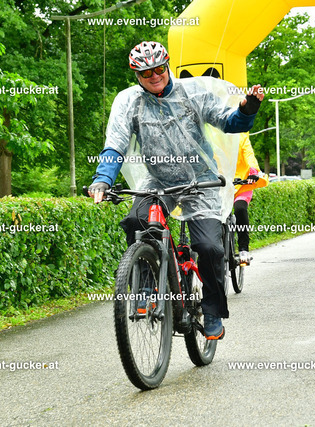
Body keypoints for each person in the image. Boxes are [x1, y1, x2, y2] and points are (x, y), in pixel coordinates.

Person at [88, 41, 264, 340]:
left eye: (159, 69)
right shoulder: (129, 101)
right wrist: (103, 179)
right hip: (159, 180)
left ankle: (212, 310)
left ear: (167, 65)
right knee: (136, 220)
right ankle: (145, 288)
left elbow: (229, 122)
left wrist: (248, 108)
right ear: (136, 75)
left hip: (201, 179)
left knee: (208, 247)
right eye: (146, 73)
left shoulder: (192, 93)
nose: (154, 76)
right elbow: (115, 144)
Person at [233, 134, 267, 265]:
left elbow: (249, 155)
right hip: (222, 184)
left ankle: (243, 249)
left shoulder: (241, 136)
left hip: (243, 183)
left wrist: (253, 171)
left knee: (240, 209)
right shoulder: (215, 135)